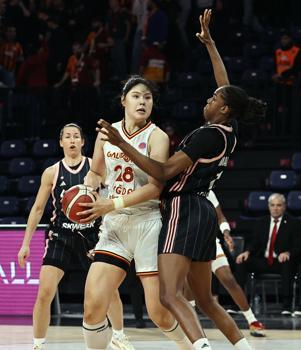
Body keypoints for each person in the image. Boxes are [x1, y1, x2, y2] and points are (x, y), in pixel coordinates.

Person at [97, 9, 266, 350]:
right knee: (206, 299)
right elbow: (226, 86)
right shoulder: (227, 131)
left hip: (183, 208)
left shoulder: (206, 137)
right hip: (204, 211)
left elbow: (161, 172)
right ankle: (245, 348)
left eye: (214, 100)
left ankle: (201, 348)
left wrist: (120, 144)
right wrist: (211, 45)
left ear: (224, 110)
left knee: (170, 295)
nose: (209, 98)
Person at [79, 76, 193, 349]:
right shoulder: (106, 133)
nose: (143, 101)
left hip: (147, 223)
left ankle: (189, 346)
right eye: (136, 96)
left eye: (148, 97)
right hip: (115, 225)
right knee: (93, 307)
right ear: (123, 101)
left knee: (159, 313)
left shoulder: (158, 137)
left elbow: (156, 188)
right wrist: (87, 191)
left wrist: (111, 203)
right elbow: (96, 172)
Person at [17, 123, 132, 350]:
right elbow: (38, 209)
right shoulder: (51, 172)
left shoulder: (95, 167)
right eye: (67, 137)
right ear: (61, 142)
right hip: (61, 235)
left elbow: (111, 197)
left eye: (76, 136)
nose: (71, 140)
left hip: (92, 235)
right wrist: (25, 244)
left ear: (82, 142)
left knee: (109, 291)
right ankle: (38, 344)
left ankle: (119, 336)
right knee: (44, 293)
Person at [185, 190, 265, 337]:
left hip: (209, 241)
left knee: (228, 279)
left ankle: (252, 320)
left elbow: (221, 217)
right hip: (186, 241)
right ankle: (191, 325)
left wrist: (226, 233)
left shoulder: (208, 190)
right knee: (187, 283)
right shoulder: (178, 188)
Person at [235, 193, 301, 315]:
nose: (275, 208)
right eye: (272, 205)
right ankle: (238, 304)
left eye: (279, 205)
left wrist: (288, 252)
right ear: (269, 206)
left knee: (287, 263)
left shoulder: (293, 223)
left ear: (284, 207)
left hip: (281, 261)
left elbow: (298, 245)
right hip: (263, 260)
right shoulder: (262, 222)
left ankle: (286, 306)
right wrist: (247, 252)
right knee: (241, 262)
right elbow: (254, 241)